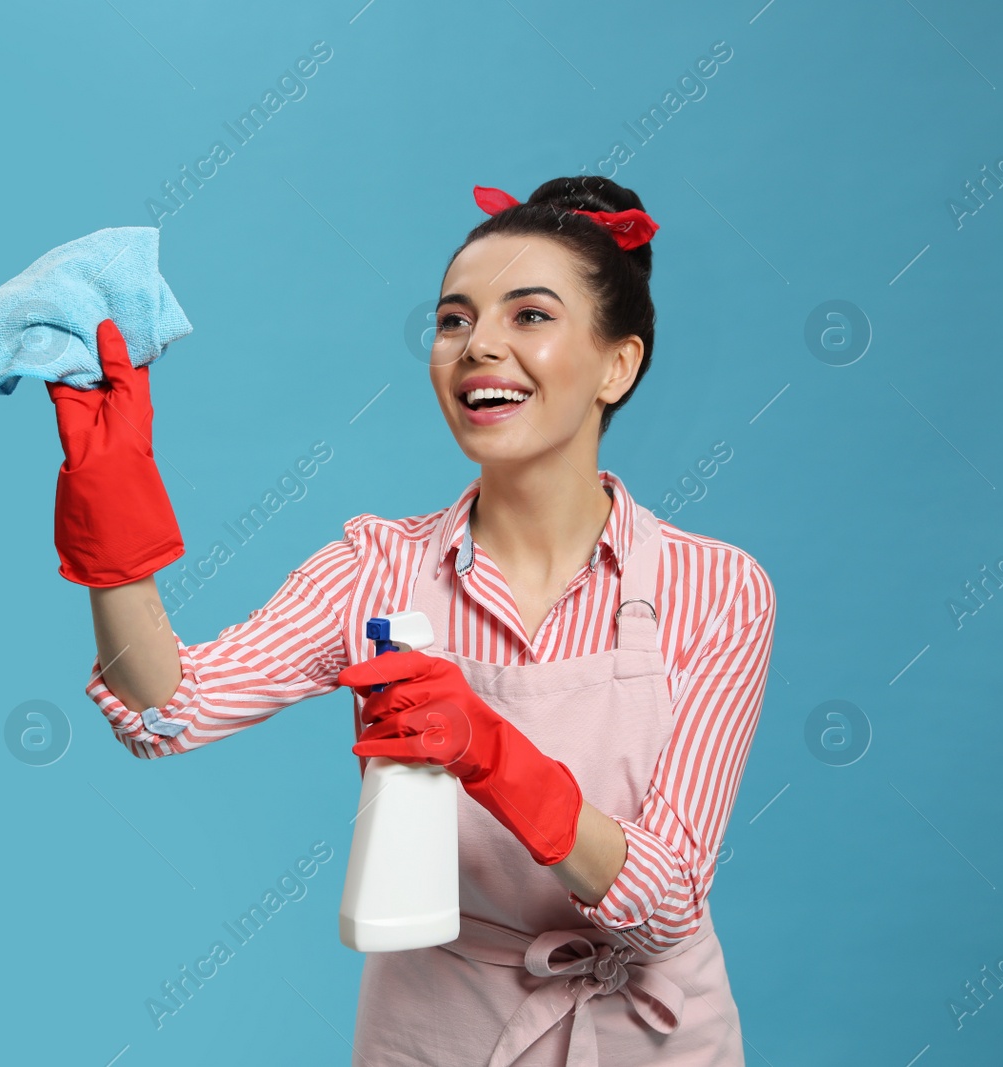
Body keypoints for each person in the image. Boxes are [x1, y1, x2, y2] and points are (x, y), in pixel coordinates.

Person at [46, 176, 776, 1065]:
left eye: (530, 316)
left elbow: (666, 908)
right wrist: (111, 516)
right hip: (439, 1030)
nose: (479, 347)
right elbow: (168, 710)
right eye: (455, 320)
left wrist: (494, 757)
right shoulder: (376, 570)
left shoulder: (719, 589)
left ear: (617, 364)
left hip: (654, 1037)